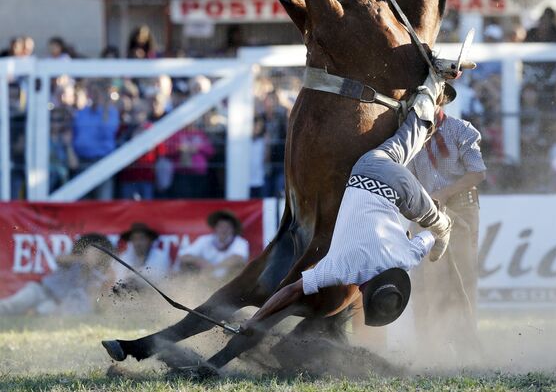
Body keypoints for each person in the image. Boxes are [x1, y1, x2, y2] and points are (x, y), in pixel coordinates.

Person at [229, 72, 453, 332]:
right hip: (362, 173)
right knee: (438, 223)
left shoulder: (406, 259)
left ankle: (433, 81)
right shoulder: (343, 270)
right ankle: (444, 224)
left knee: (412, 136)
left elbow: (426, 239)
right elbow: (291, 291)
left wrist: (437, 237)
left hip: (378, 167)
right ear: (364, 291)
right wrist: (255, 321)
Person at [408, 84, 486, 352]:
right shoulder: (411, 134)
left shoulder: (462, 130)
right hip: (426, 211)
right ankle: (429, 346)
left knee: (463, 277)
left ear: (442, 99)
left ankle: (466, 344)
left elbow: (477, 172)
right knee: (425, 281)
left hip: (460, 208)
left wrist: (443, 193)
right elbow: (406, 175)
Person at [0, 234, 114, 316]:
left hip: (56, 303)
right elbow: (59, 259)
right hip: (40, 290)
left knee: (44, 312)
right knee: (13, 304)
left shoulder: (97, 275)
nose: (96, 255)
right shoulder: (73, 260)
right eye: (94, 251)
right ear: (84, 249)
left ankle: (31, 313)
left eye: (100, 253)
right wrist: (83, 259)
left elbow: (94, 300)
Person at [72, 80, 120, 200]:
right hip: (82, 163)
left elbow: (108, 133)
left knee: (103, 203)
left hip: (102, 163)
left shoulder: (111, 113)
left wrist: (103, 110)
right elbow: (75, 136)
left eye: (98, 92)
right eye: (92, 92)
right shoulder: (81, 113)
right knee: (83, 202)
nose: (95, 95)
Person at [177, 210, 250, 280]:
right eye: (221, 226)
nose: (224, 230)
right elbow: (183, 256)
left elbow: (238, 258)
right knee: (186, 265)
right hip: (204, 279)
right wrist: (201, 262)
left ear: (233, 229)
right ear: (215, 228)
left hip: (228, 281)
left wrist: (214, 268)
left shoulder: (240, 242)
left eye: (227, 227)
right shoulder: (204, 240)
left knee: (239, 267)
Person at [113, 223, 171, 293]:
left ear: (149, 240)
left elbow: (158, 280)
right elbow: (119, 279)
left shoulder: (161, 256)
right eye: (134, 239)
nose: (138, 243)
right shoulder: (124, 256)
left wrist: (134, 279)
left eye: (141, 238)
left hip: (152, 295)